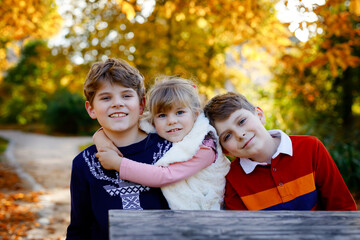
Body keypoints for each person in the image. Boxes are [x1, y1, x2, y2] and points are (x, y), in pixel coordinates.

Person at [66, 58, 173, 240]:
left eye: (126, 95)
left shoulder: (169, 148)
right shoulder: (84, 163)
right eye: (106, 98)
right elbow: (80, 226)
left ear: (141, 105)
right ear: (91, 109)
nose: (117, 103)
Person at [203, 92, 357, 211]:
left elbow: (343, 208)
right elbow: (242, 232)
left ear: (260, 115)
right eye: (227, 136)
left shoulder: (310, 148)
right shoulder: (232, 179)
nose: (240, 134)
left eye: (242, 121)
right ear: (225, 150)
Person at [94, 76, 230, 210]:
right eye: (162, 115)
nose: (171, 121)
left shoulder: (205, 146)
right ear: (154, 120)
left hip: (208, 213)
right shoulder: (169, 129)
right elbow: (128, 123)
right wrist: (100, 137)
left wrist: (118, 164)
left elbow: (164, 175)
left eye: (180, 112)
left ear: (195, 114)